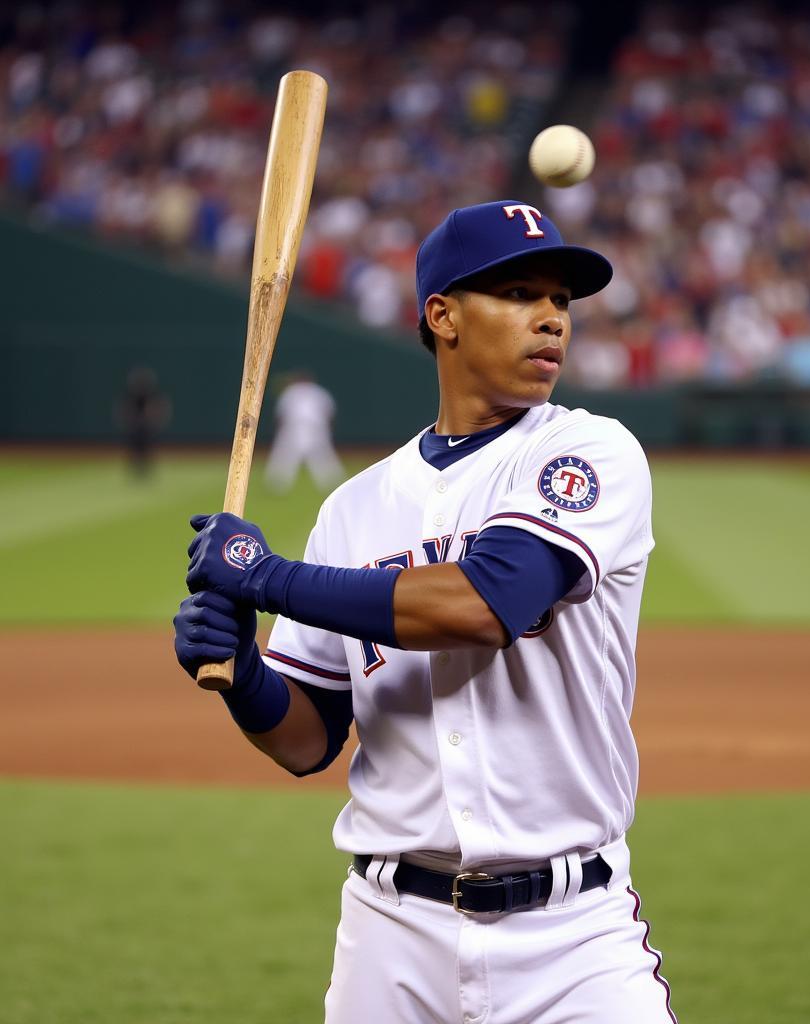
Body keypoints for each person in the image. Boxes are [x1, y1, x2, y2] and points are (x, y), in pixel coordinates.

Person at [173, 200, 675, 1023]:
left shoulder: (587, 450)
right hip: (390, 937)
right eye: (519, 293)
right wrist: (243, 674)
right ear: (442, 314)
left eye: (561, 300)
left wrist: (264, 578)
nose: (552, 318)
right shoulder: (354, 507)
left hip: (572, 939)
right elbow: (306, 741)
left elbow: (484, 602)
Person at [264, 371, 345, 492]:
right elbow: (329, 413)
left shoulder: (291, 391)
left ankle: (277, 484)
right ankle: (332, 483)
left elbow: (281, 415)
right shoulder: (318, 392)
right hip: (310, 428)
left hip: (299, 428)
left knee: (287, 455)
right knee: (318, 456)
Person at [116, 366, 171, 478]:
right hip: (135, 427)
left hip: (146, 427)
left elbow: (159, 409)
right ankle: (136, 471)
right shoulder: (131, 396)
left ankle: (145, 471)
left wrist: (154, 421)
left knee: (147, 449)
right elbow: (124, 410)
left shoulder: (152, 395)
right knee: (134, 449)